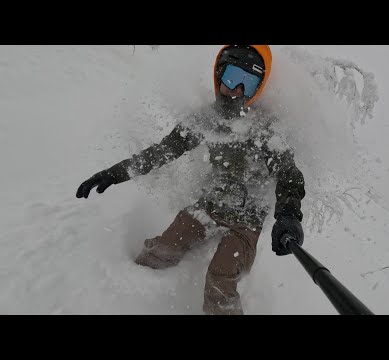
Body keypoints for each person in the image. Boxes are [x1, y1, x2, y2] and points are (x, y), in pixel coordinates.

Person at [76, 45, 306, 315]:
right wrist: (116, 172)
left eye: (250, 83)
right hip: (208, 205)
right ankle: (130, 302)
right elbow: (162, 152)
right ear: (219, 75)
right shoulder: (205, 120)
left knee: (220, 277)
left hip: (247, 219)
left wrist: (288, 215)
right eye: (233, 78)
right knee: (159, 251)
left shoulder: (265, 128)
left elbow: (288, 172)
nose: (238, 90)